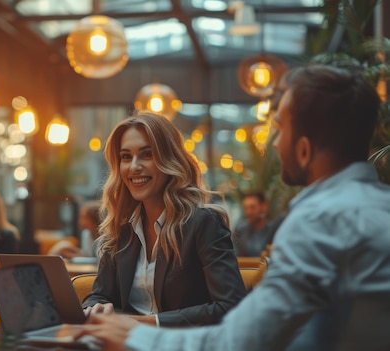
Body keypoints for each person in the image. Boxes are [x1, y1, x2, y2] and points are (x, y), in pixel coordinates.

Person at [77, 65, 390, 350]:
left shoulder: (319, 222)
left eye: (278, 128)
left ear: (305, 149)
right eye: (125, 157)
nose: (273, 143)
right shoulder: (375, 207)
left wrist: (134, 334)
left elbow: (240, 340)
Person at [81, 111, 246, 328]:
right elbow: (99, 295)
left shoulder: (204, 223)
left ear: (169, 159)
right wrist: (96, 306)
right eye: (126, 157)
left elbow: (231, 306)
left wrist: (146, 323)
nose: (134, 166)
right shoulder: (122, 229)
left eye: (147, 154)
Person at [232, 191, 283, 257]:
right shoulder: (240, 231)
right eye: (245, 208)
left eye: (252, 207)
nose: (248, 212)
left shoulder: (275, 231)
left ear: (264, 207)